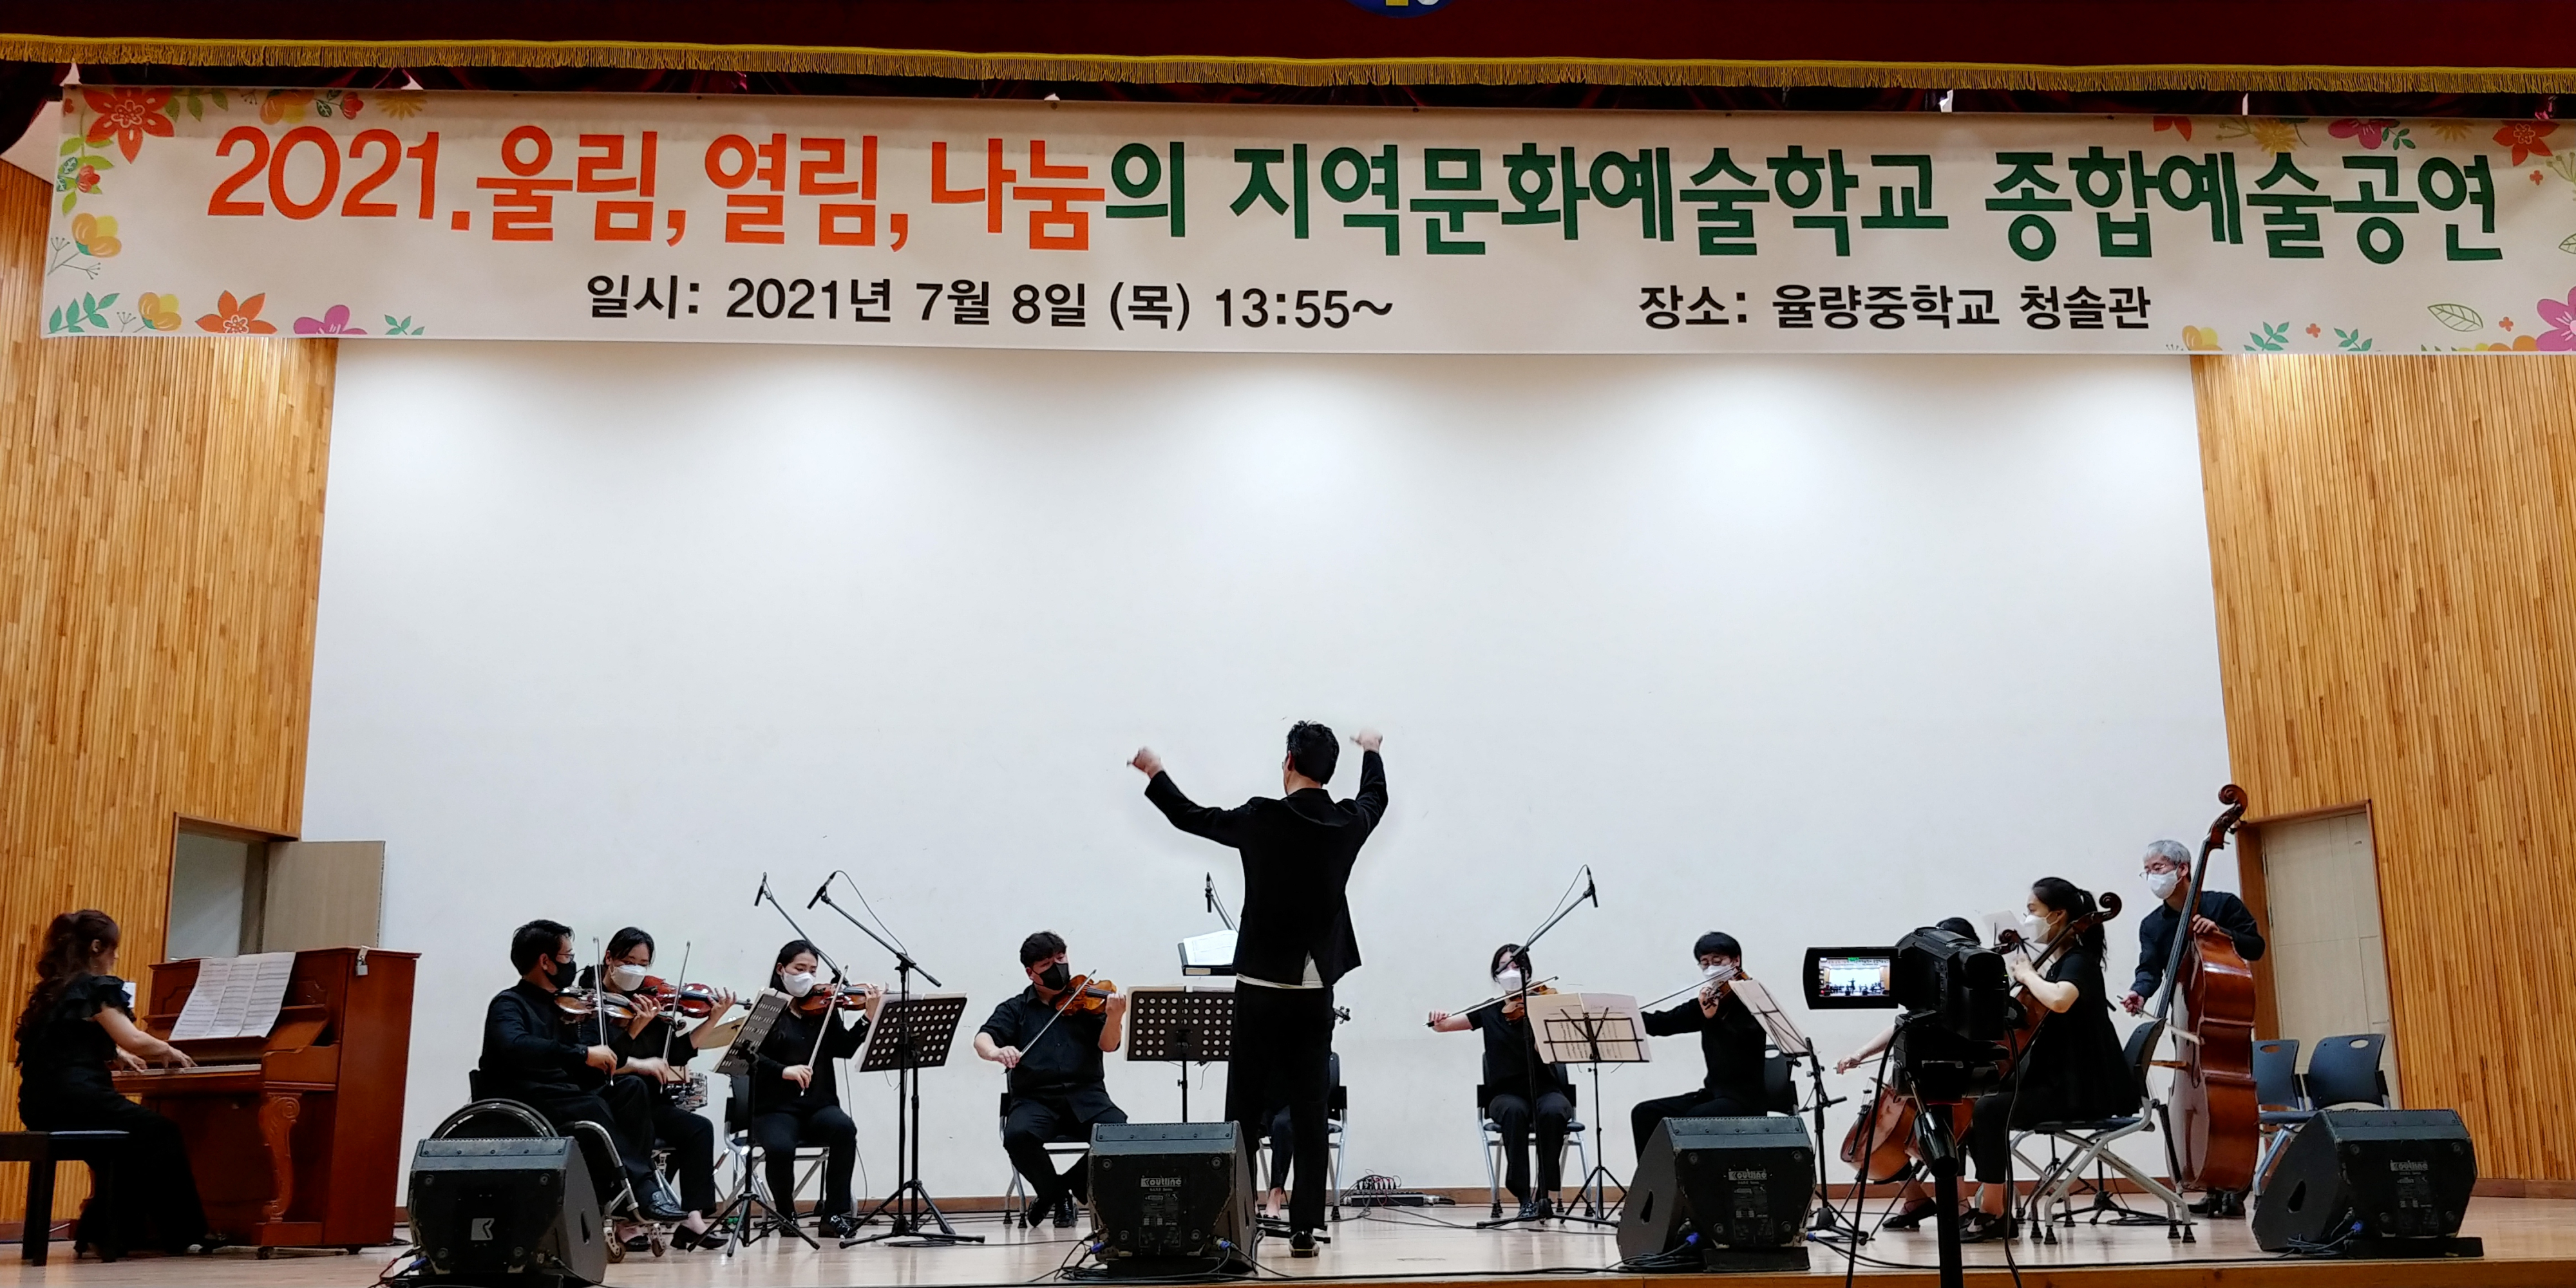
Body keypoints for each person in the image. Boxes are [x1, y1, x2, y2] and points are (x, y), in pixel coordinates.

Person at [1133, 721, 1387, 1256]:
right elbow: (1375, 798)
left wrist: (1155, 771)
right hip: (1316, 984)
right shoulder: (1346, 823)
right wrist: (1371, 750)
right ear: (1327, 770)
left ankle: (1236, 1225)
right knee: (1310, 1108)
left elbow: (1190, 817)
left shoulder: (1262, 817)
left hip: (1260, 983)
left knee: (1244, 1107)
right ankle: (1304, 1228)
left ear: (1288, 761)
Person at [10, 910, 209, 1256]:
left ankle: (105, 1230)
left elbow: (66, 1040)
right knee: (161, 1132)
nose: (116, 956)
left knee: (126, 1148)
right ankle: (185, 1234)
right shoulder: (94, 986)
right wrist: (167, 1048)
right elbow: (135, 1039)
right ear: (97, 946)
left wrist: (113, 1053)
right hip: (78, 1099)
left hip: (38, 1106)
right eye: (113, 948)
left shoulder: (53, 991)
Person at [1960, 878, 2137, 1242]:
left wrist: (2026, 974)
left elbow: (2059, 1001)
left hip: (2083, 1088)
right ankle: (1992, 1204)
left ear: (2058, 916)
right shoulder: (2056, 965)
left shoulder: (2079, 963)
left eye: (2032, 911)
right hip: (2060, 1081)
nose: (2028, 918)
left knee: (1989, 1111)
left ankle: (1995, 1212)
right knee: (1978, 1100)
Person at [480, 920, 687, 1220]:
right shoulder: (509, 1004)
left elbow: (592, 1073)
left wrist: (630, 1033)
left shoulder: (565, 1006)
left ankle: (624, 1193)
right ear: (546, 962)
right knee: (590, 1104)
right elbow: (517, 1045)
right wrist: (582, 1053)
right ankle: (643, 1188)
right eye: (568, 957)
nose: (574, 964)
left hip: (565, 1093)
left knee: (631, 1090)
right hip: (528, 1097)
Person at [2120, 838, 2268, 1216]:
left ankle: (2232, 1183)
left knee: (2224, 1104)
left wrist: (2223, 932)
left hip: (2221, 1028)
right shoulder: (2152, 925)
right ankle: (2210, 1176)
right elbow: (2151, 969)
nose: (2152, 877)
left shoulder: (2222, 905)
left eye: (2157, 868)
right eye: (2148, 871)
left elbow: (2255, 947)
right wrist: (2139, 993)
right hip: (2187, 1027)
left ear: (2182, 869)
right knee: (2191, 1100)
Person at [582, 928, 739, 1251]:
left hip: (648, 1101)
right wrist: (635, 1039)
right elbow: (599, 1061)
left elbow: (676, 1053)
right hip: (608, 1101)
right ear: (608, 958)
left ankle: (692, 1217)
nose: (637, 971)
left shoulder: (646, 1000)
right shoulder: (587, 1002)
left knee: (697, 1128)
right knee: (634, 1091)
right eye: (629, 961)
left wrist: (712, 1020)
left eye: (644, 964)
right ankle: (629, 1218)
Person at [1831, 918, 1980, 1232]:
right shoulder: (1934, 990)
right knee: (1883, 1135)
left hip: (1965, 1087)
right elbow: (1903, 1024)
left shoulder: (1977, 996)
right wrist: (1860, 1054)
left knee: (1945, 1130)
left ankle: (1960, 1204)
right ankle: (1916, 1200)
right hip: (1920, 1085)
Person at [974, 932, 1130, 1227]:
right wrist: (997, 1051)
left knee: (1120, 1134)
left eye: (1061, 958)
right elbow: (982, 1038)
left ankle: (1058, 1190)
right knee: (1017, 1136)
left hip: (1087, 1096)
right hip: (1035, 1100)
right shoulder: (1016, 1008)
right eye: (1047, 963)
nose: (1058, 966)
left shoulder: (1087, 1002)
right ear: (1031, 972)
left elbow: (1109, 1045)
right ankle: (1059, 1197)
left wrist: (1114, 1018)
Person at [744, 940, 880, 1238]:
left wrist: (868, 1018)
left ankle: (834, 1214)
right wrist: (784, 1071)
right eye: (799, 968)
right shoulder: (767, 1008)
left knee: (844, 1129)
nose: (806, 976)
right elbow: (747, 1053)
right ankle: (785, 1211)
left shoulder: (824, 1009)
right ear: (782, 970)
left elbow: (843, 1049)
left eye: (812, 970)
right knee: (780, 1147)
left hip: (818, 1105)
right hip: (775, 1108)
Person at [1430, 944, 1573, 1220]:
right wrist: (1437, 1017)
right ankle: (1522, 1199)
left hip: (1546, 1089)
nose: (1512, 971)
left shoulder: (1546, 1006)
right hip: (1507, 1094)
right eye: (1505, 966)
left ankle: (1544, 1194)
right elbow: (1443, 1026)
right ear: (1496, 976)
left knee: (1554, 1111)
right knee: (1514, 1112)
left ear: (1528, 971)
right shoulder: (1490, 1010)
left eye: (1517, 965)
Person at [1629, 932, 1768, 1153]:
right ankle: (1655, 1185)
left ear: (1736, 961)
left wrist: (1714, 1018)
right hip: (1713, 1094)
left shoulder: (1753, 1000)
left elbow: (1744, 1038)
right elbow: (1664, 1023)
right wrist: (1624, 1015)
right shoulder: (1710, 1000)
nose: (1711, 968)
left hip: (1744, 1100)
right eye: (1704, 963)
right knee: (1645, 1113)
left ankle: (1696, 1184)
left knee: (1696, 1119)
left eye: (1717, 961)